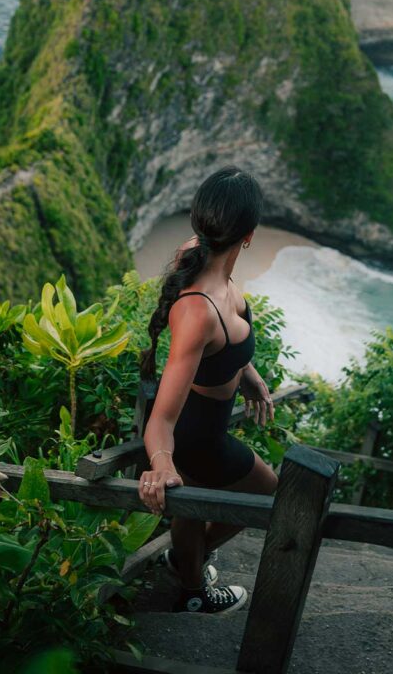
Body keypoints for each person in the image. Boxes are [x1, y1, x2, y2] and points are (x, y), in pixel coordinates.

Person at [137, 165, 278, 614]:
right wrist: (161, 462)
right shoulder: (197, 311)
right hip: (194, 434)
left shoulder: (198, 254)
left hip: (208, 425)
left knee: (193, 513)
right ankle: (191, 584)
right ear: (249, 234)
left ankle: (187, 564)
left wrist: (247, 373)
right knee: (268, 493)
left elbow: (224, 347)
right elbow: (161, 418)